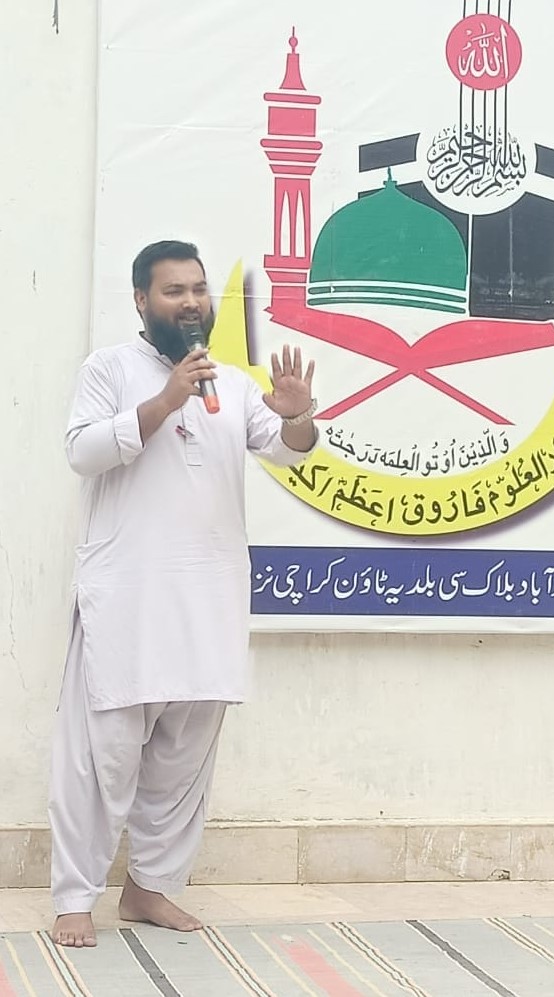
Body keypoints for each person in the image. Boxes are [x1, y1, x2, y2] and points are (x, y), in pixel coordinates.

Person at [49, 240, 318, 948]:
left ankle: (149, 887)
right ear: (142, 300)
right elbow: (82, 451)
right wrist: (165, 400)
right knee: (101, 758)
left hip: (209, 599)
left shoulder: (231, 384)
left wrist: (296, 415)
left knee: (183, 757)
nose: (192, 302)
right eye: (175, 291)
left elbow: (288, 447)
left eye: (199, 289)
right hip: (128, 600)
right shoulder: (108, 369)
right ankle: (74, 896)